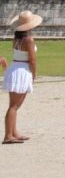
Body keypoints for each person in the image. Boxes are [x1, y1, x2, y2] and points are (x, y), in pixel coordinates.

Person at [3, 10, 40, 144]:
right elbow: (32, 60)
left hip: (15, 68)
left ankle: (13, 132)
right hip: (23, 70)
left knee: (14, 105)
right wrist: (34, 74)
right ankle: (8, 135)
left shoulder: (17, 38)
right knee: (14, 106)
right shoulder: (29, 39)